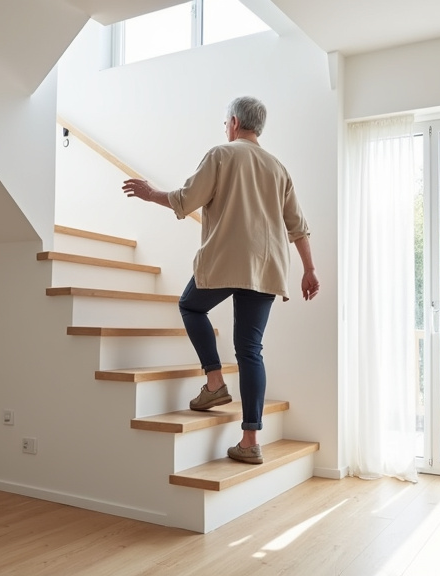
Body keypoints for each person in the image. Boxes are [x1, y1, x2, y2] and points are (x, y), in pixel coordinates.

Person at [121, 96, 319, 465]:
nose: (225, 127)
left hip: (228, 259)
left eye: (225, 122)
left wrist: (150, 194)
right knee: (250, 351)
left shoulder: (222, 155)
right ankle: (250, 441)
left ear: (234, 122)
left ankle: (214, 383)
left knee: (189, 306)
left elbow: (186, 199)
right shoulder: (278, 168)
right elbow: (298, 226)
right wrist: (309, 269)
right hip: (267, 266)